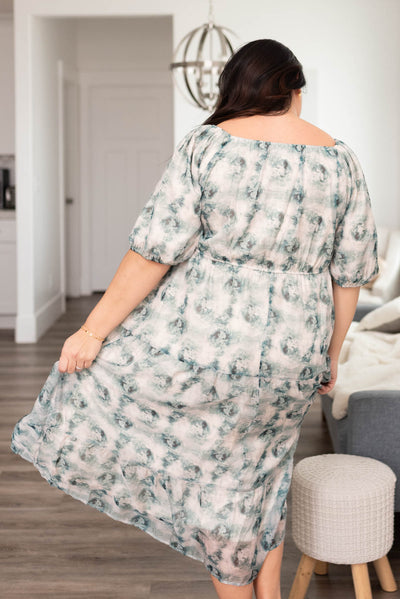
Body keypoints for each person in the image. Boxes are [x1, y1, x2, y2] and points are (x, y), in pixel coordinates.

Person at [10, 38, 379, 599]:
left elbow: (153, 252)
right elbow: (348, 276)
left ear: (240, 89)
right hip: (294, 351)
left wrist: (91, 332)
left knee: (220, 479)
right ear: (295, 91)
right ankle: (268, 592)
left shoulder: (207, 145)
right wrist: (330, 354)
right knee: (267, 466)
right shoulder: (340, 159)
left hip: (208, 343)